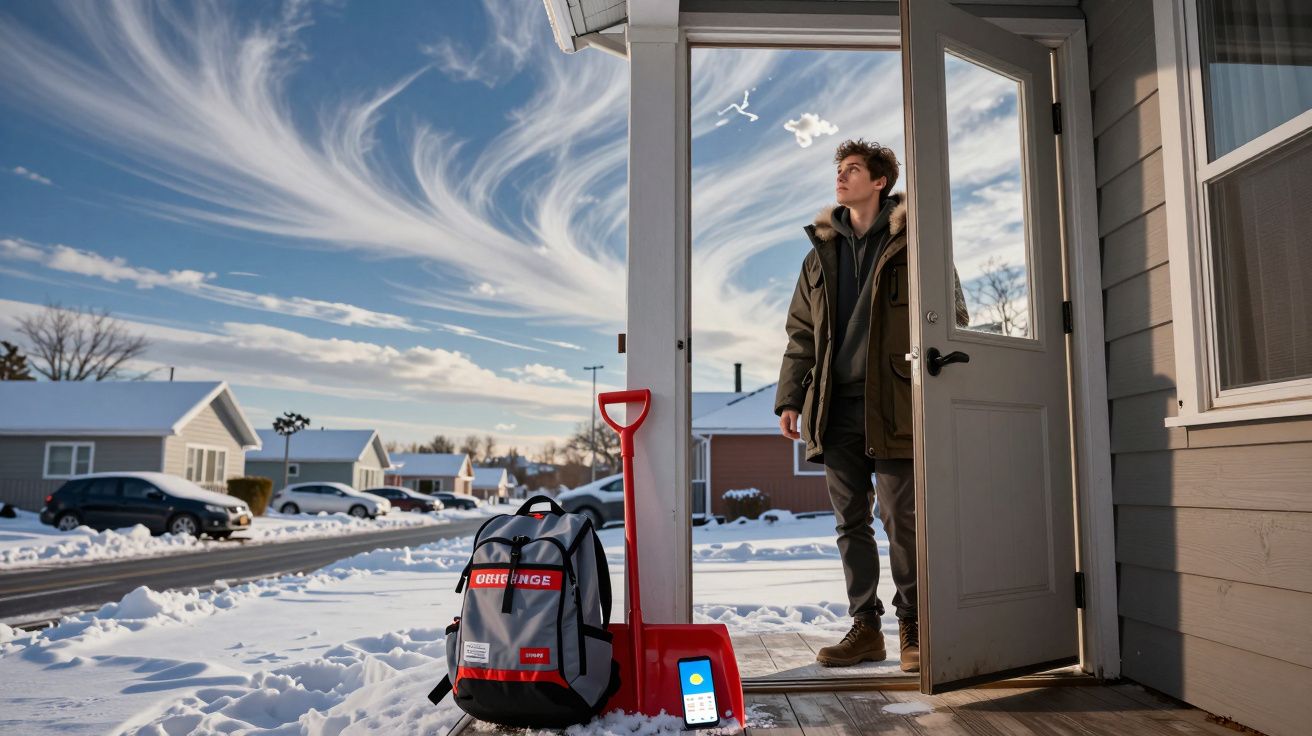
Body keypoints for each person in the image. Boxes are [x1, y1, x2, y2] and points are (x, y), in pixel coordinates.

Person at [774, 139, 967, 672]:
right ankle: (865, 627)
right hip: (834, 406)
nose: (841, 176)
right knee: (849, 521)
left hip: (896, 403)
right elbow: (800, 335)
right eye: (838, 169)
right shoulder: (819, 254)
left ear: (880, 181)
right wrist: (790, 398)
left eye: (853, 169)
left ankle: (914, 624)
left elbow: (953, 314)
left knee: (900, 516)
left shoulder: (917, 241)